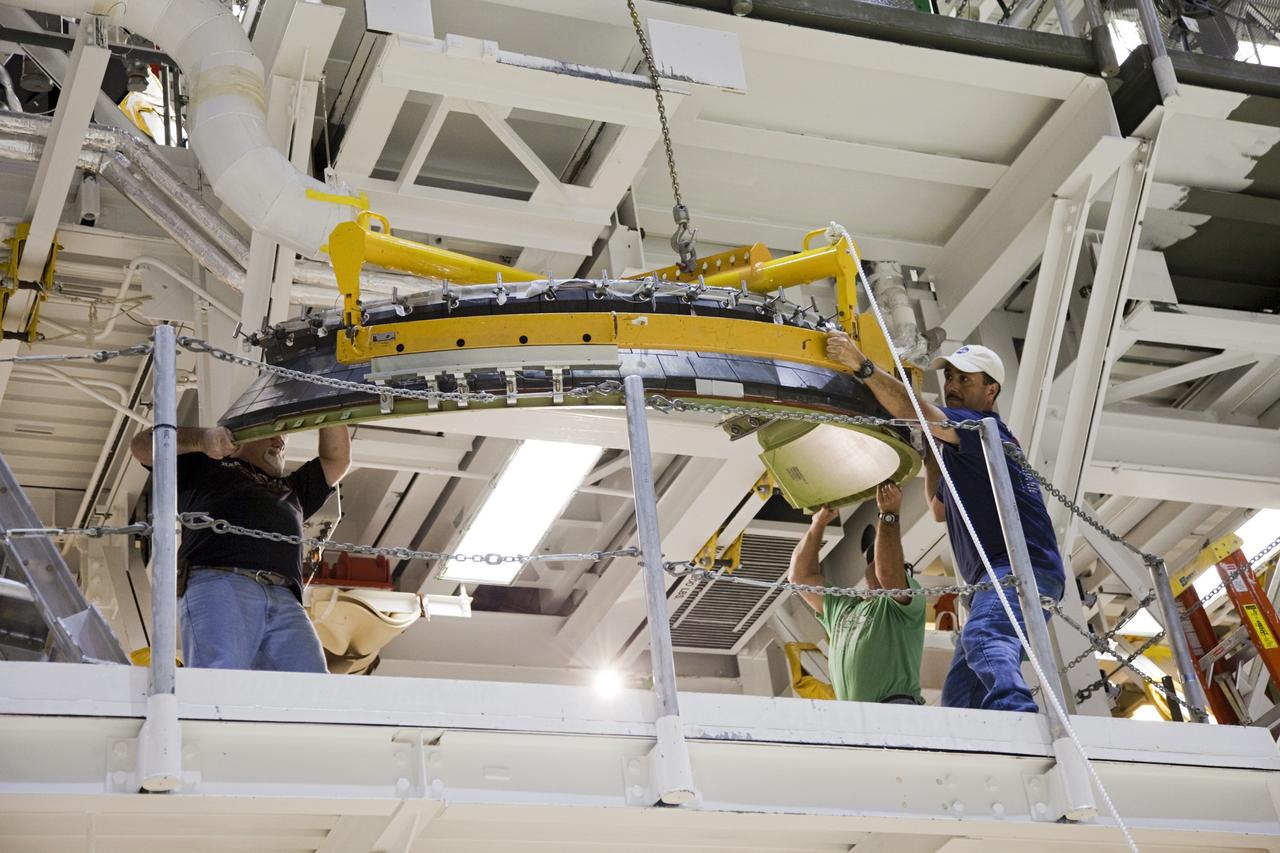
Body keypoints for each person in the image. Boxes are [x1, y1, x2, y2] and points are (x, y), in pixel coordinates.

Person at [825, 334, 1065, 712]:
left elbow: (914, 409)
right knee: (960, 696)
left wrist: (863, 367)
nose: (951, 386)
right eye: (950, 377)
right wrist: (932, 450)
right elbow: (938, 508)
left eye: (964, 379)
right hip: (1003, 575)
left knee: (984, 636)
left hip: (1018, 569)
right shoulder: (969, 451)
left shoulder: (981, 427)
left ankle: (1017, 714)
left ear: (991, 390)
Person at [129, 424, 351, 672]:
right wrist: (203, 440)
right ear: (241, 435)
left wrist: (327, 411)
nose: (280, 443)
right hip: (221, 582)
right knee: (221, 675)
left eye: (283, 438)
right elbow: (143, 447)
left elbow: (337, 460)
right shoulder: (204, 468)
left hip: (285, 597)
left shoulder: (293, 489)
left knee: (311, 687)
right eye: (272, 434)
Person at [788, 482, 926, 705]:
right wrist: (819, 523)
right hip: (859, 722)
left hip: (893, 710)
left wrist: (889, 513)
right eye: (873, 558)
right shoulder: (842, 608)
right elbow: (799, 577)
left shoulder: (905, 606)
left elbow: (888, 573)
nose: (875, 564)